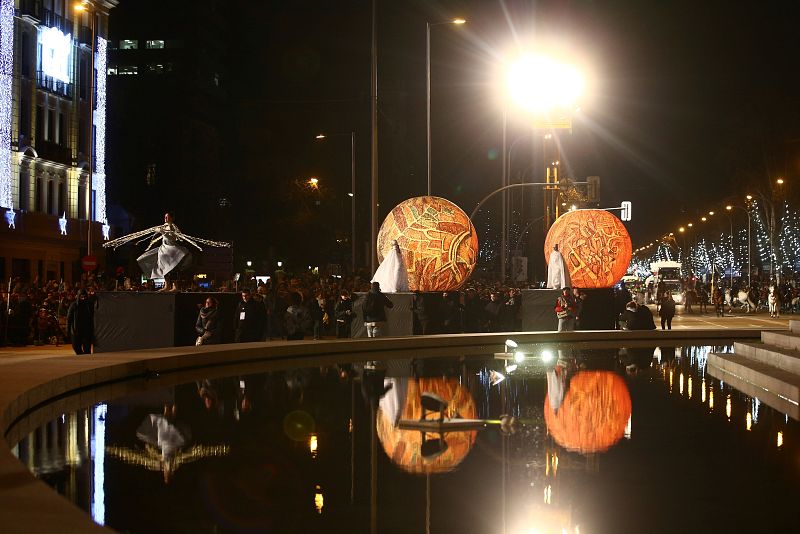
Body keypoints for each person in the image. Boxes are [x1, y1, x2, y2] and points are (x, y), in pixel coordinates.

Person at [103, 211, 230, 282]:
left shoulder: (172, 227)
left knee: (170, 269)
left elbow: (174, 236)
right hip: (163, 250)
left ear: (172, 218)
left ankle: (173, 285)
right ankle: (167, 285)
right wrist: (153, 239)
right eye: (164, 216)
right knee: (160, 267)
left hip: (171, 250)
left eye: (167, 217)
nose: (165, 218)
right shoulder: (164, 227)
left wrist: (164, 232)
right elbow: (155, 237)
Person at [67, 289, 94, 354]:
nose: (83, 298)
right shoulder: (74, 305)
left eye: (85, 297)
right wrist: (68, 330)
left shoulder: (89, 305)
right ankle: (81, 356)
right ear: (78, 296)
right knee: (76, 347)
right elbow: (69, 318)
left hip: (86, 330)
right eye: (81, 297)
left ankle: (86, 358)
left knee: (87, 349)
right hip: (76, 330)